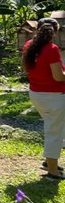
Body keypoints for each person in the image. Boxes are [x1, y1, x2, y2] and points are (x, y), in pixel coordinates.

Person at [22, 17, 65, 179]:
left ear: (37, 29)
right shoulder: (52, 49)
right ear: (54, 32)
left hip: (37, 94)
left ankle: (50, 161)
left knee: (56, 128)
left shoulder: (28, 46)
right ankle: (52, 171)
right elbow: (58, 77)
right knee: (54, 132)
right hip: (54, 97)